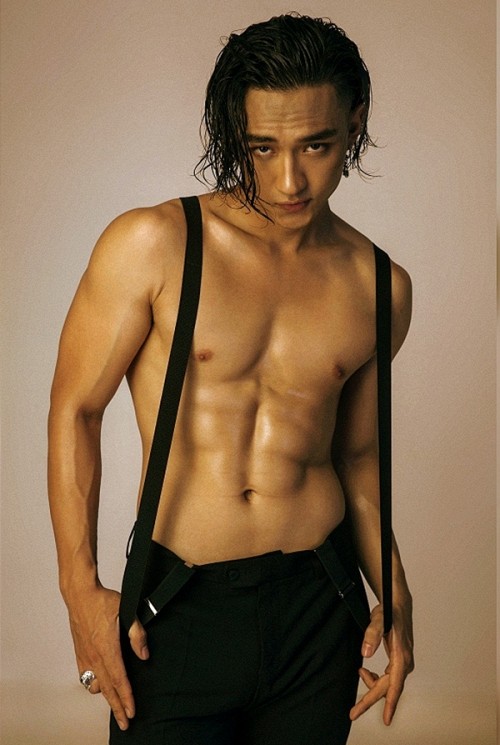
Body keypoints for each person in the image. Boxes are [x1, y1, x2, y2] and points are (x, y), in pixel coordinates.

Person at [48, 13, 414, 745]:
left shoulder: (380, 286)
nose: (289, 179)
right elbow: (75, 410)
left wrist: (397, 599)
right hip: (180, 601)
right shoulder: (154, 244)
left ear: (355, 124)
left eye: (317, 145)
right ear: (232, 133)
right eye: (262, 147)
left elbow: (358, 458)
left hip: (320, 604)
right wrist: (79, 591)